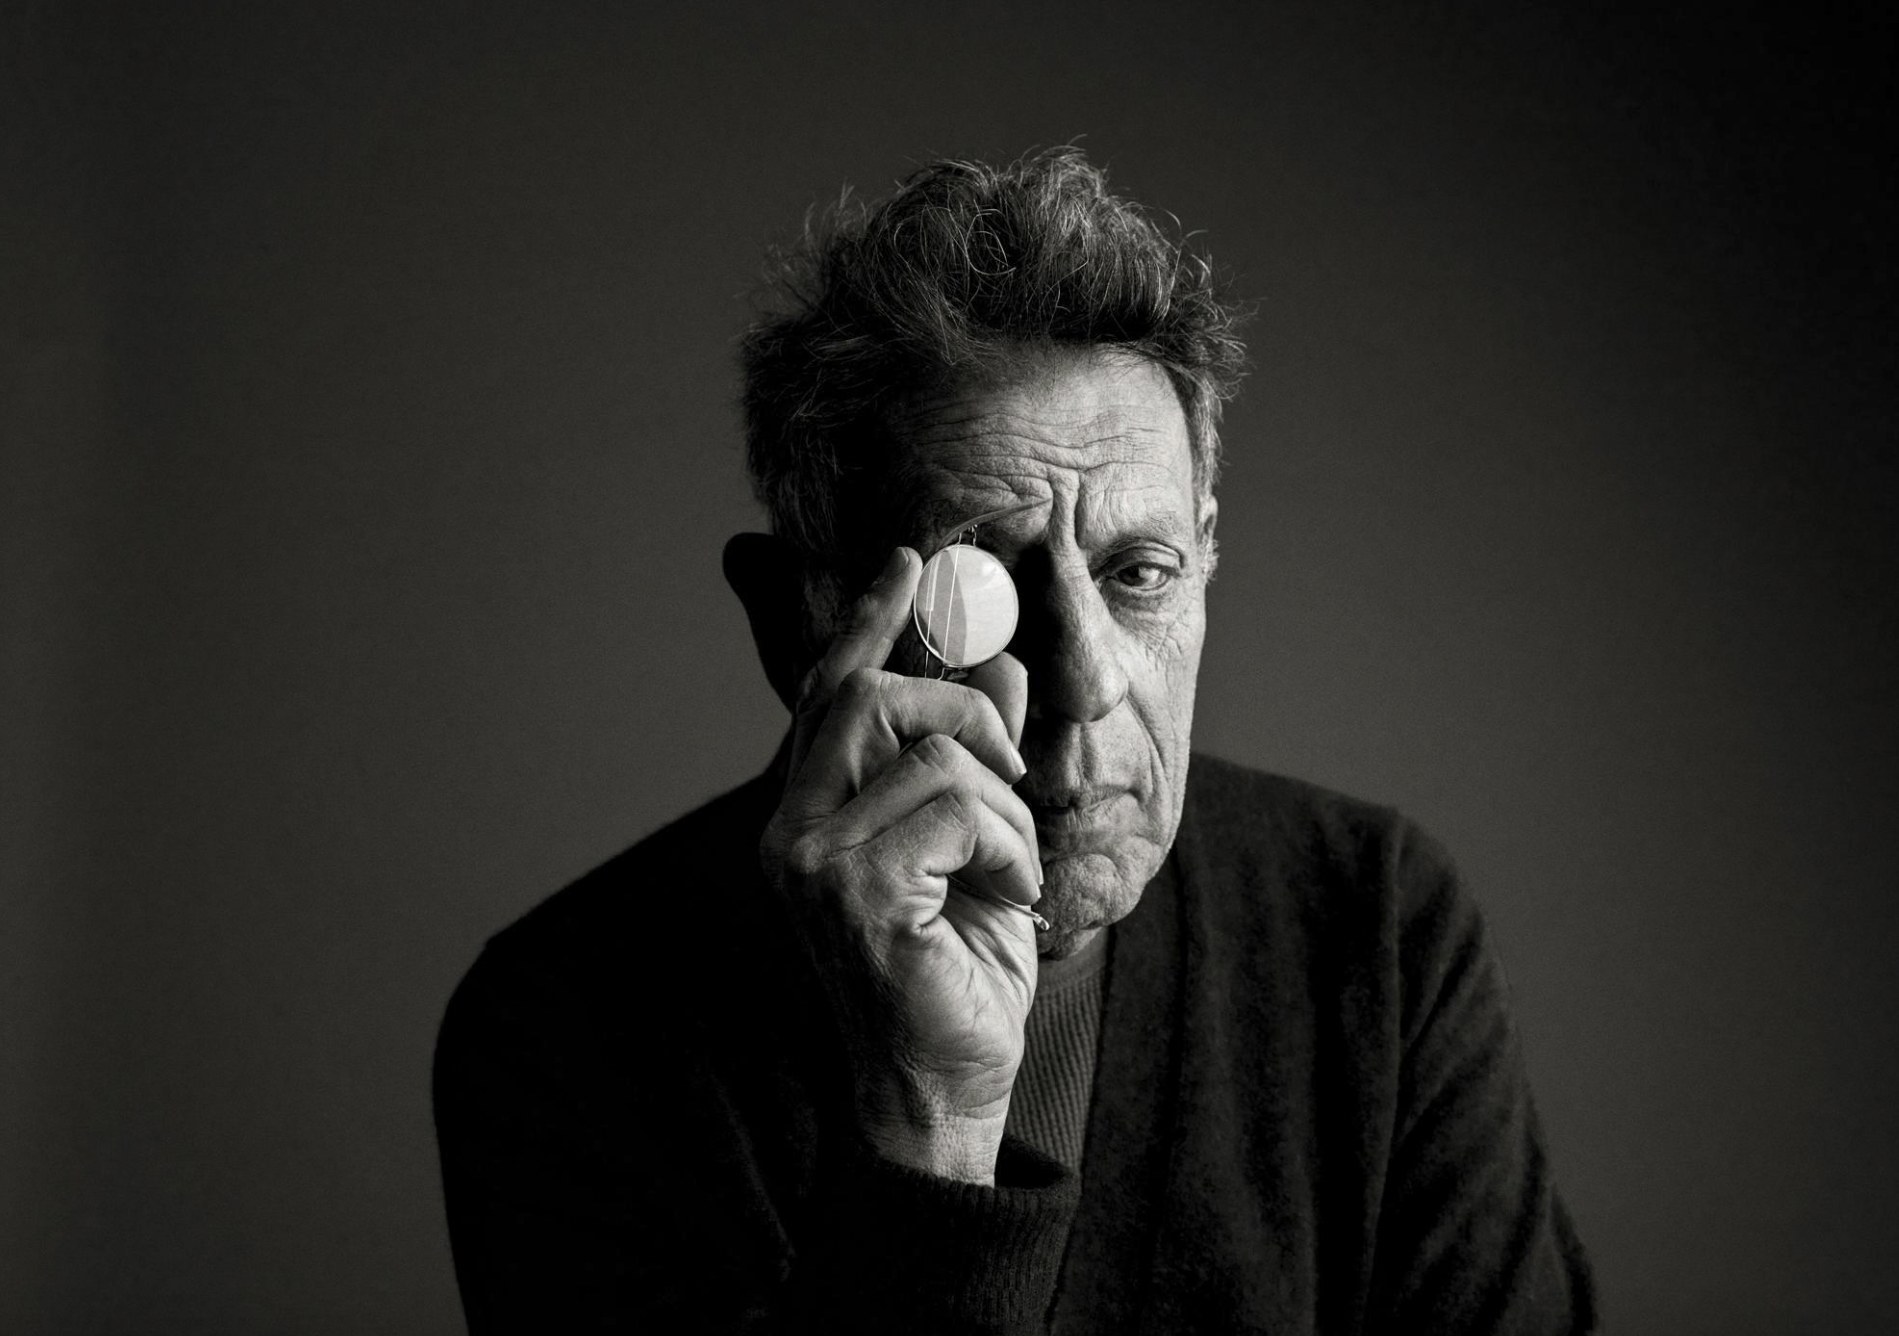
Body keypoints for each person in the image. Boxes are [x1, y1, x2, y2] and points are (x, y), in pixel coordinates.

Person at [432, 148, 1597, 1334]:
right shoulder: (567, 1027)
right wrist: (931, 1117)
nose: (1087, 680)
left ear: (1207, 553)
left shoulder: (1376, 928)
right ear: (797, 626)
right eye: (979, 592)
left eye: (1140, 574)